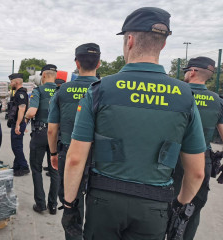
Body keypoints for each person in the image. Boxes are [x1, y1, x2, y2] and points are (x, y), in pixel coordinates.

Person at [62, 7, 206, 240]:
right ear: (163, 44)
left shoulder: (100, 90)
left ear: (129, 40)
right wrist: (179, 206)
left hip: (104, 203)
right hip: (155, 206)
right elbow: (197, 172)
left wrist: (69, 206)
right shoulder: (185, 96)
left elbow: (76, 158)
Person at [47, 43, 100, 240]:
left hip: (68, 152)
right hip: (99, 156)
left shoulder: (63, 90)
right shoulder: (105, 89)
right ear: (99, 63)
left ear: (77, 63)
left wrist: (53, 153)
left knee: (71, 202)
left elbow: (52, 129)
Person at [172, 56, 223, 240]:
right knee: (192, 210)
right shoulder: (217, 101)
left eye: (186, 70)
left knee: (167, 206)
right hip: (203, 160)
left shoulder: (176, 93)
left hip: (174, 159)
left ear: (192, 72)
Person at [25, 64, 60, 214]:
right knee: (55, 171)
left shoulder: (38, 90)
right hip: (57, 134)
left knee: (37, 169)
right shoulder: (61, 91)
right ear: (55, 76)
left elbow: (32, 111)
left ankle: (41, 204)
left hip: (40, 133)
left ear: (44, 75)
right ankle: (53, 205)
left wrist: (25, 117)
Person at [7, 73, 30, 176]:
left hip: (18, 123)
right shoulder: (17, 92)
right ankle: (17, 166)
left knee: (16, 146)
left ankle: (24, 167)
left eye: (11, 82)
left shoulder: (21, 94)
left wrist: (18, 124)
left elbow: (22, 109)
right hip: (19, 123)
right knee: (17, 145)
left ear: (16, 82)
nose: (10, 83)